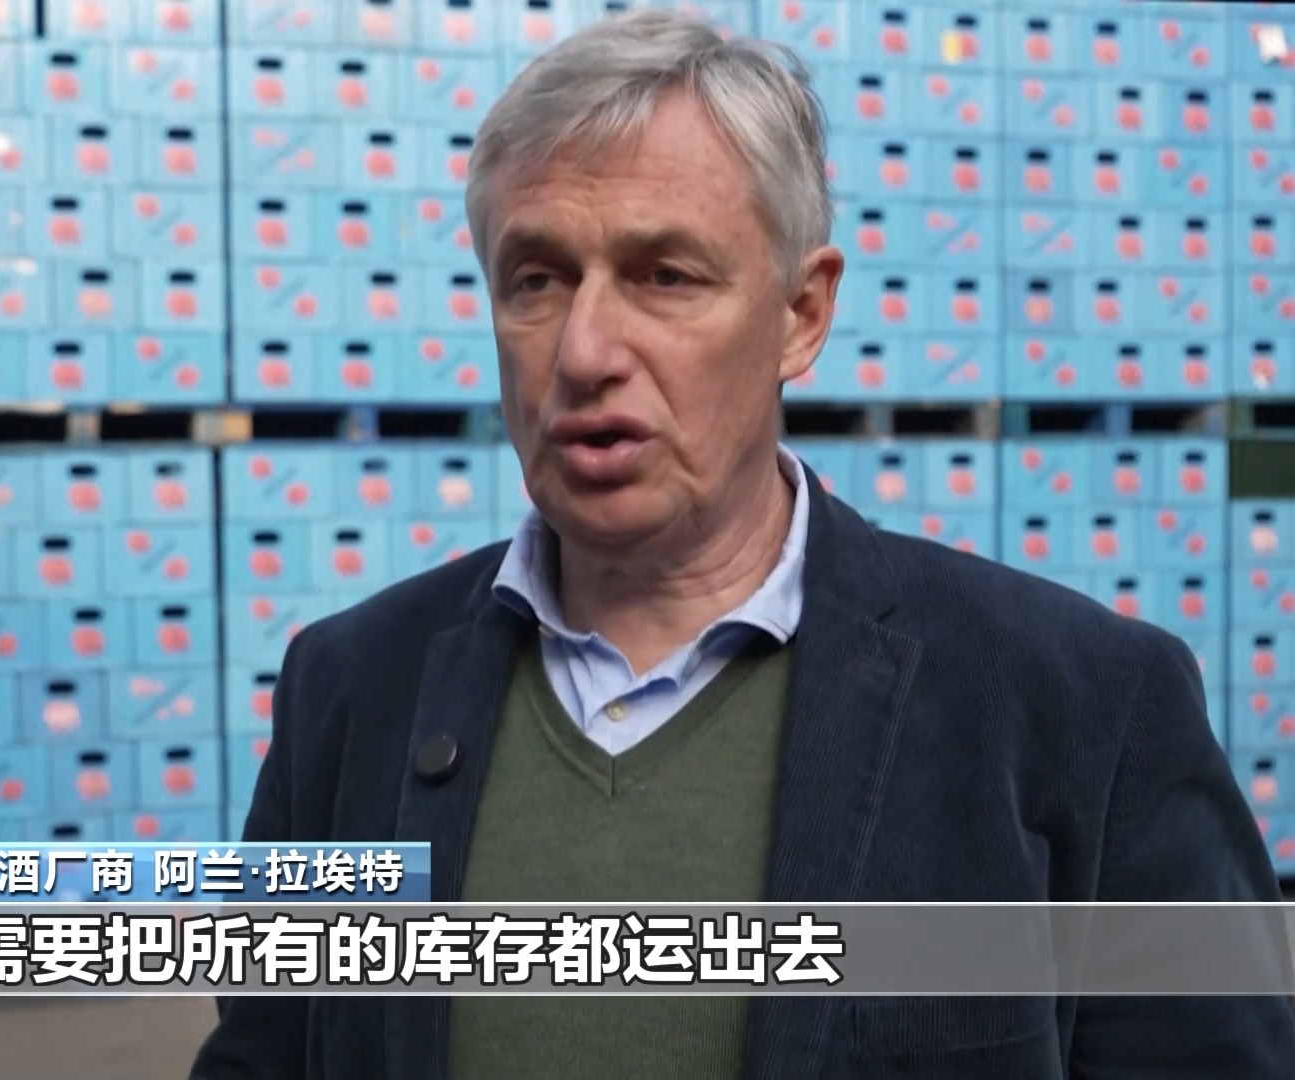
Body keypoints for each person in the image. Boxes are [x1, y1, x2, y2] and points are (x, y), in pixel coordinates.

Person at [188, 8, 1295, 1080]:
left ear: (800, 316)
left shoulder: (1084, 706)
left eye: (665, 276)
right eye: (538, 279)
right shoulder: (349, 693)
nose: (585, 351)